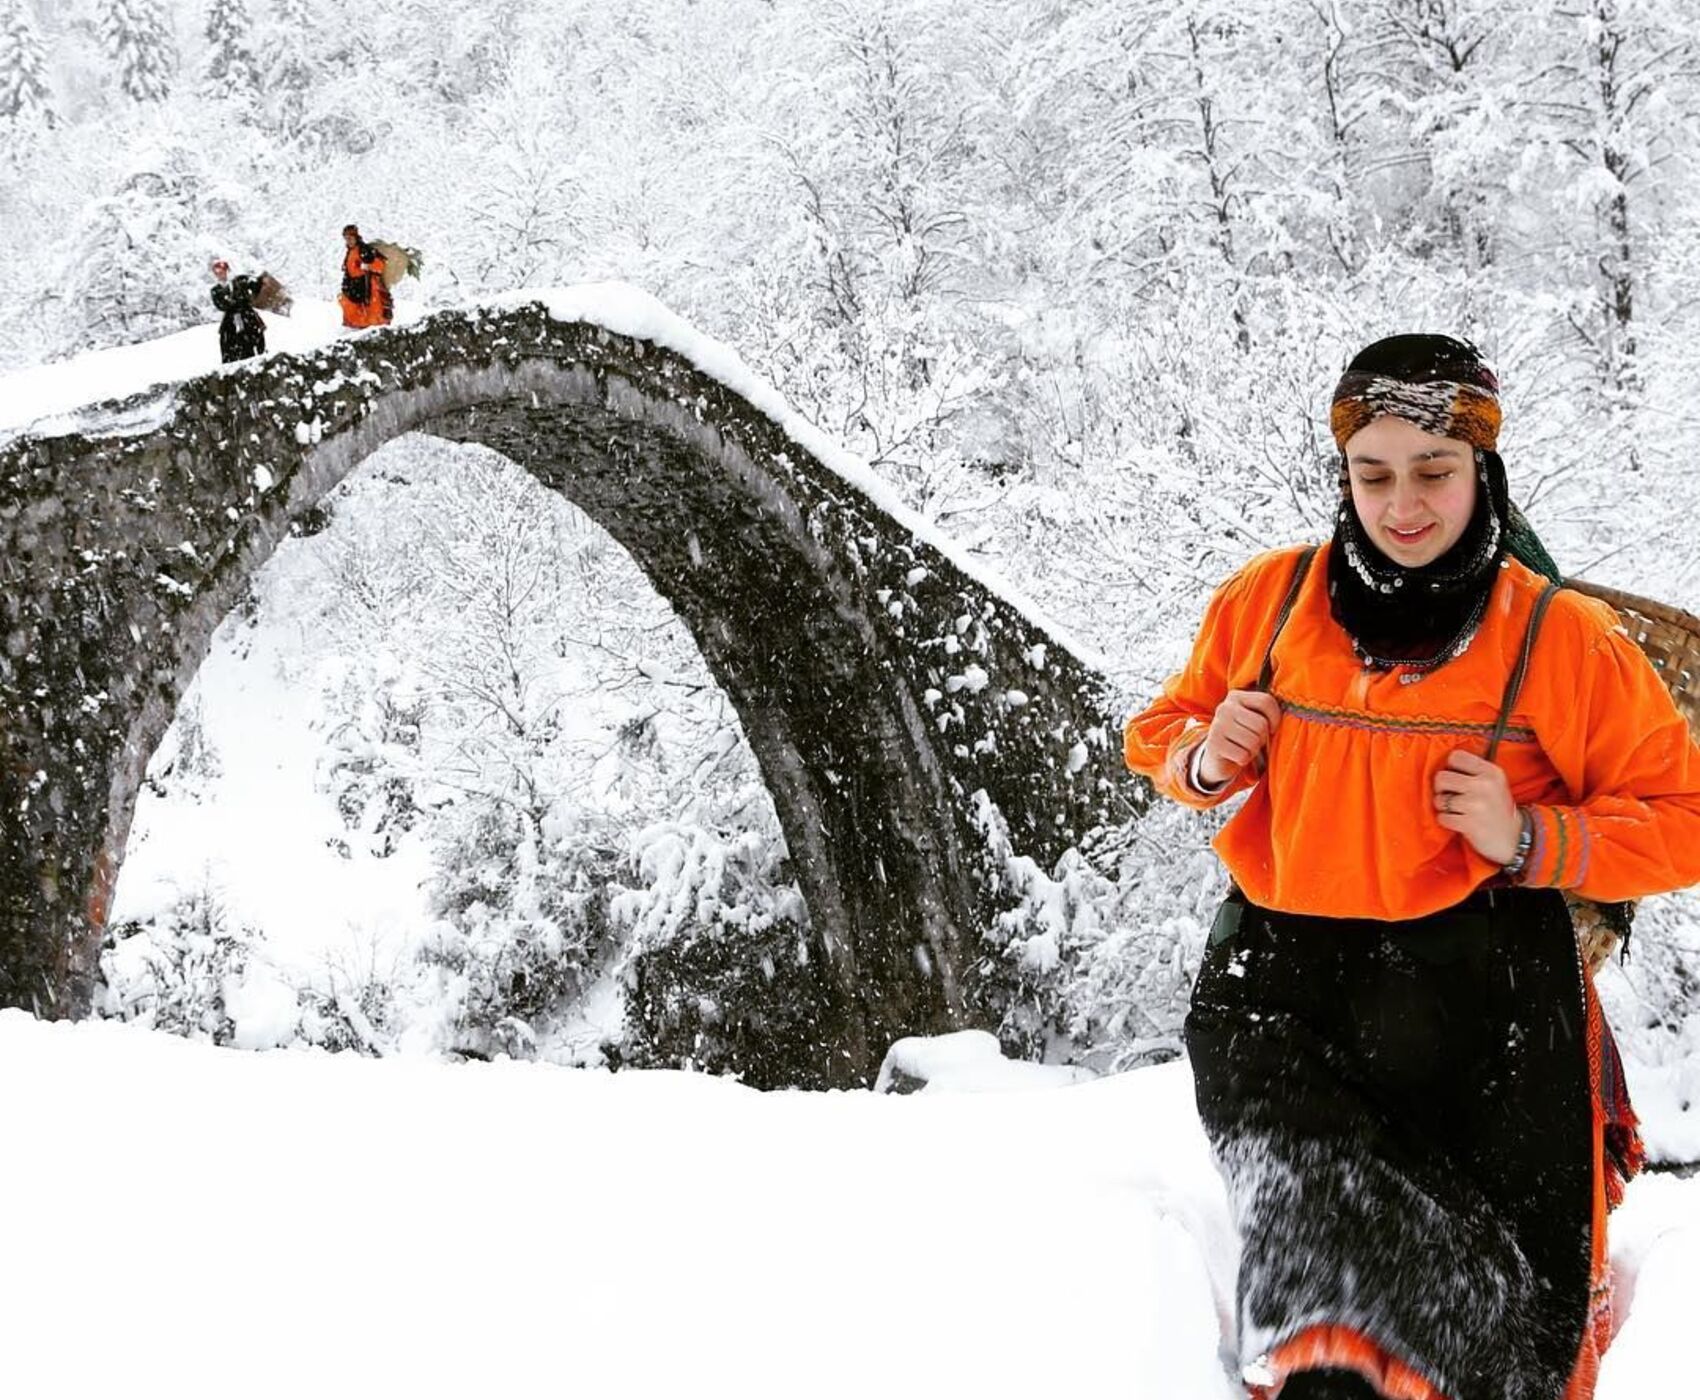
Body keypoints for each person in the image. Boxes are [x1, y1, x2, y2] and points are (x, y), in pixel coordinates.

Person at [1123, 334, 1700, 1400]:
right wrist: (1206, 756)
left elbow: (1682, 815)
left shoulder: (1562, 638)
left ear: (1481, 469)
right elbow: (1158, 728)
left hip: (1482, 1015)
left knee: (1495, 1347)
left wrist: (1531, 836)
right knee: (1326, 1305)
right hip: (1279, 998)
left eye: (1432, 471)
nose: (1400, 504)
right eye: (1370, 472)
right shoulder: (1268, 601)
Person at [209, 258, 267, 363]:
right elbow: (221, 305)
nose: (220, 275)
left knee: (253, 340)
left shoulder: (240, 281)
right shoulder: (216, 290)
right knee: (230, 345)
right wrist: (232, 300)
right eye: (217, 273)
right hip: (230, 321)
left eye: (222, 271)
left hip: (247, 316)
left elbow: (256, 286)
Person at [338, 223, 392, 329]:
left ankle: (367, 326)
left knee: (370, 308)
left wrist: (366, 266)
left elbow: (380, 264)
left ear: (356, 237)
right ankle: (356, 326)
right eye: (346, 238)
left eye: (350, 238)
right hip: (353, 285)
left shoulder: (364, 250)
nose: (348, 241)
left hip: (365, 284)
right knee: (351, 305)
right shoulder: (351, 251)